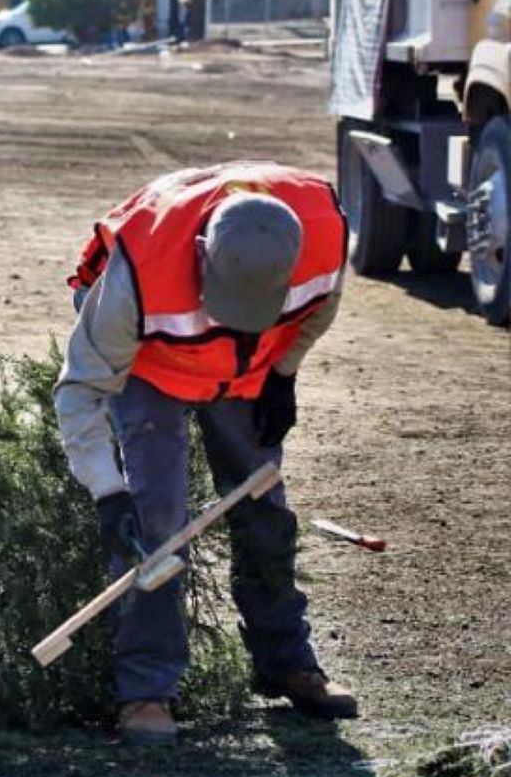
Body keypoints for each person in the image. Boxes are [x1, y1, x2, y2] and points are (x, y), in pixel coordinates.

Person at [56, 162, 356, 745]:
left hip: (246, 369)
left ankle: (287, 661)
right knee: (157, 526)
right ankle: (146, 692)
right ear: (200, 252)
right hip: (152, 368)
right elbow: (81, 389)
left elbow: (321, 307)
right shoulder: (138, 274)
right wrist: (107, 492)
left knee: (265, 505)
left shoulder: (321, 233)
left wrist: (284, 375)